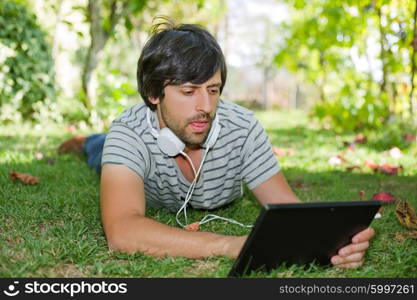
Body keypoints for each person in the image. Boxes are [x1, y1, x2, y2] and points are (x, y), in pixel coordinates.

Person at [58, 18, 374, 269]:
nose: (205, 106)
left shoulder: (244, 128)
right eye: (188, 91)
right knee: (99, 151)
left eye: (213, 89)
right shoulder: (128, 132)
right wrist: (228, 244)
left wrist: (335, 241)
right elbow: (123, 231)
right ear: (155, 94)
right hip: (117, 150)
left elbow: (287, 210)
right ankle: (85, 141)